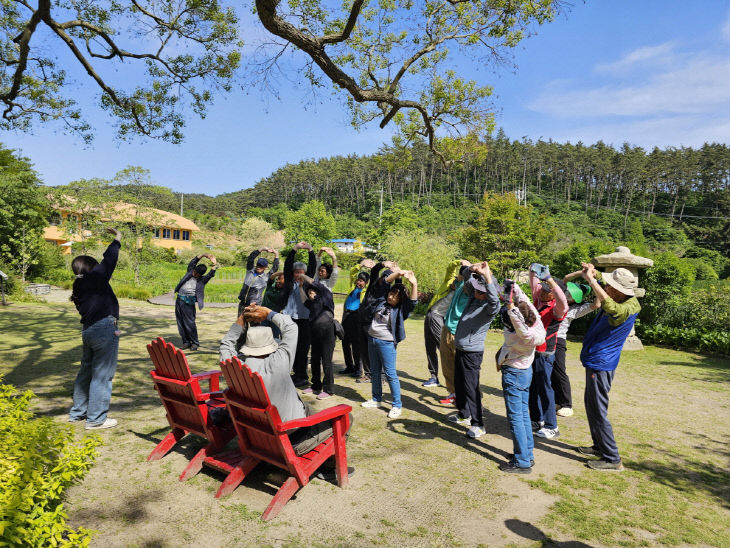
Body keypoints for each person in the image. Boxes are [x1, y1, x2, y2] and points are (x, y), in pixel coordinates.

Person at [219, 304, 352, 458]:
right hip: (289, 438)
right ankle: (329, 467)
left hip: (258, 435)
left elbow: (226, 344)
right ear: (271, 346)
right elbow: (290, 327)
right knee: (346, 417)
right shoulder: (280, 361)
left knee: (306, 407)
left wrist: (242, 318)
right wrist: (268, 313)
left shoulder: (234, 369)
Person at [577, 263, 640, 471]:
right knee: (591, 406)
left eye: (610, 285)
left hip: (601, 363)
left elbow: (612, 308)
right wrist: (590, 275)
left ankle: (612, 459)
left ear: (619, 291)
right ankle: (599, 446)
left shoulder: (626, 308)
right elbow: (606, 299)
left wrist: (592, 281)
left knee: (598, 409)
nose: (606, 287)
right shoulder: (620, 299)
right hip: (598, 360)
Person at [68, 227, 122, 430]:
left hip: (88, 331)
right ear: (91, 268)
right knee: (102, 375)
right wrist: (117, 238)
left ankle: (78, 413)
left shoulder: (78, 284)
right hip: (103, 330)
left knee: (86, 372)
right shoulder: (95, 279)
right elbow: (110, 259)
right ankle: (96, 419)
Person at [495, 281, 546, 473]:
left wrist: (511, 309)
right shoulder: (535, 322)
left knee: (515, 417)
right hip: (525, 372)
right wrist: (514, 288)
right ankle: (526, 453)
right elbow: (525, 304)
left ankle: (522, 462)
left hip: (514, 373)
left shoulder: (520, 334)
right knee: (524, 414)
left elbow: (517, 321)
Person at [446, 261, 500, 439]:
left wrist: (487, 277)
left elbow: (494, 299)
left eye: (481, 291)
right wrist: (473, 269)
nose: (477, 293)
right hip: (461, 348)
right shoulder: (473, 299)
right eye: (477, 290)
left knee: (471, 388)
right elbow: (468, 281)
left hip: (472, 353)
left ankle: (478, 424)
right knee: (459, 383)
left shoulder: (490, 308)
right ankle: (464, 413)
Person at [361, 269, 418, 419]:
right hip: (372, 339)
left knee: (390, 374)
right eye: (391, 294)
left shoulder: (401, 310)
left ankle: (397, 405)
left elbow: (412, 303)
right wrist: (398, 274)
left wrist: (414, 284)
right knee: (374, 372)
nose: (391, 297)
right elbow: (384, 283)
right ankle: (376, 399)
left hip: (386, 344)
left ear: (400, 300)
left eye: (395, 296)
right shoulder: (381, 300)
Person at [527, 263, 568, 440]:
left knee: (545, 389)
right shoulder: (539, 301)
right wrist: (532, 270)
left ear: (554, 293)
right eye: (542, 290)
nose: (542, 292)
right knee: (533, 388)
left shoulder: (557, 309)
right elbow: (534, 285)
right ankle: (537, 420)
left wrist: (550, 280)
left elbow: (563, 301)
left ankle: (552, 426)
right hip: (533, 352)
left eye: (547, 290)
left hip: (545, 354)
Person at [552, 274, 599, 417]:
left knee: (559, 371)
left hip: (558, 340)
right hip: (543, 338)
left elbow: (597, 304)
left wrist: (593, 281)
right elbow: (565, 278)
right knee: (547, 371)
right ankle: (555, 400)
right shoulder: (557, 298)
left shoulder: (577, 309)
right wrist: (583, 272)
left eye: (571, 295)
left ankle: (567, 404)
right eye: (567, 292)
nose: (567, 295)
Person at [422, 259, 467, 388]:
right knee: (429, 347)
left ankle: (454, 380)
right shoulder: (449, 281)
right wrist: (460, 262)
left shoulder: (464, 288)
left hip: (440, 318)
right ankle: (433, 377)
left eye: (462, 276)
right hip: (430, 314)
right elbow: (450, 268)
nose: (458, 278)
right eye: (459, 275)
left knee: (444, 348)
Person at [280, 241, 317, 387]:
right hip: (290, 319)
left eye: (302, 272)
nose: (299, 274)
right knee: (290, 346)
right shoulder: (289, 282)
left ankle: (302, 376)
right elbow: (287, 265)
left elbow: (313, 266)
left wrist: (310, 250)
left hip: (305, 319)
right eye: (297, 272)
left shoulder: (308, 283)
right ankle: (295, 373)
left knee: (303, 348)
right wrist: (294, 249)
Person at [355, 260, 397, 383]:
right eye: (383, 275)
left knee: (378, 350)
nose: (383, 278)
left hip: (373, 323)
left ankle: (382, 375)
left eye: (387, 277)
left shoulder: (387, 292)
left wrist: (397, 273)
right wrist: (383, 264)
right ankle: (368, 374)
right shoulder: (373, 284)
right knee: (363, 349)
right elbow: (374, 270)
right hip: (361, 319)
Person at [437, 264, 472, 405]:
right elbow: (451, 275)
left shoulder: (470, 287)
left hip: (458, 330)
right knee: (447, 363)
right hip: (447, 327)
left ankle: (469, 397)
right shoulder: (459, 283)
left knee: (461, 367)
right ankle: (453, 393)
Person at [299, 275, 337, 399]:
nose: (310, 293)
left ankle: (329, 389)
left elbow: (316, 283)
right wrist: (300, 287)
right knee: (315, 359)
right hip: (315, 333)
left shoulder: (326, 296)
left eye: (312, 291)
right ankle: (316, 385)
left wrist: (303, 276)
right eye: (309, 292)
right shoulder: (311, 303)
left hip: (327, 332)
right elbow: (304, 300)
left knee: (326, 361)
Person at [173, 252, 218, 351]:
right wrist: (203, 255)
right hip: (179, 300)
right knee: (180, 322)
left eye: (196, 273)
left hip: (189, 303)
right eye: (194, 271)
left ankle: (195, 343)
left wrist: (214, 264)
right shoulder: (190, 271)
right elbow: (193, 262)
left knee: (190, 323)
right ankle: (186, 342)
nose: (194, 273)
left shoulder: (202, 280)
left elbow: (211, 274)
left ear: (200, 274)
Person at [340, 261, 371, 375]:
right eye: (358, 280)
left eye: (361, 281)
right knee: (345, 341)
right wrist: (361, 265)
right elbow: (352, 272)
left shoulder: (366, 291)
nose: (359, 282)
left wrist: (372, 268)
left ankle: (359, 368)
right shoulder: (353, 286)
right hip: (346, 315)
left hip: (357, 316)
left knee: (356, 343)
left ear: (366, 282)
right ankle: (349, 366)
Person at [237, 247, 279, 316]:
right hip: (242, 303)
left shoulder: (266, 277)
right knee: (240, 325)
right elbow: (251, 258)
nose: (259, 267)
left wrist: (276, 255)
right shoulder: (250, 271)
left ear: (265, 267)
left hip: (254, 305)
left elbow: (275, 268)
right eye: (258, 265)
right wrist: (262, 249)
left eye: (261, 266)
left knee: (255, 325)